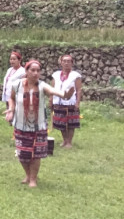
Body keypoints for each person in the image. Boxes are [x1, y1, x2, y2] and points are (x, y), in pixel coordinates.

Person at [7, 59, 75, 187]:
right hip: (21, 125)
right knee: (22, 154)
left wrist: (64, 95)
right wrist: (11, 109)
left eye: (38, 71)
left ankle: (33, 179)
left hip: (38, 127)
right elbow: (11, 98)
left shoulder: (42, 86)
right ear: (26, 71)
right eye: (32, 70)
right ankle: (27, 175)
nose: (35, 73)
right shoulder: (17, 85)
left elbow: (52, 91)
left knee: (36, 154)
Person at [51, 54, 82, 148]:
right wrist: (51, 100)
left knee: (71, 123)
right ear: (61, 62)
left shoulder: (75, 75)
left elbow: (79, 89)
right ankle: (64, 140)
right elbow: (52, 88)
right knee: (61, 122)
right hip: (58, 102)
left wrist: (77, 102)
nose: (66, 63)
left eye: (69, 61)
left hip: (70, 102)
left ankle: (69, 142)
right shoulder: (55, 75)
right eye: (64, 61)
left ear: (72, 63)